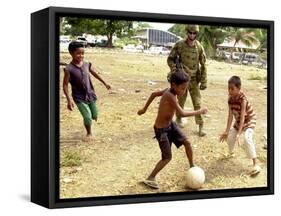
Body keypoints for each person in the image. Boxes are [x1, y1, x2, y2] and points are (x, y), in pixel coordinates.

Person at [137, 71, 208, 189]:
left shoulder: (170, 91)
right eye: (182, 88)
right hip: (162, 130)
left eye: (186, 88)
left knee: (187, 142)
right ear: (174, 85)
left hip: (170, 124)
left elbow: (154, 94)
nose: (184, 91)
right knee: (167, 158)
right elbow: (182, 113)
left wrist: (144, 109)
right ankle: (151, 177)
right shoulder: (169, 95)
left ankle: (191, 166)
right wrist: (199, 111)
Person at [63, 41, 111, 141]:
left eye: (83, 53)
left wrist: (105, 83)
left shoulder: (86, 64)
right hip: (79, 97)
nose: (81, 55)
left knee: (94, 115)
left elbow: (95, 74)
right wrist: (69, 99)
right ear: (71, 53)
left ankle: (88, 121)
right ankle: (89, 133)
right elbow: (65, 85)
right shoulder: (69, 69)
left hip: (90, 94)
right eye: (78, 53)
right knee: (88, 116)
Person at [167, 24, 207, 136]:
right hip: (182, 80)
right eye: (190, 32)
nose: (192, 35)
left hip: (194, 80)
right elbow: (170, 59)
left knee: (197, 103)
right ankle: (179, 119)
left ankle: (200, 126)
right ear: (187, 32)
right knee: (180, 101)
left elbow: (203, 65)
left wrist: (204, 81)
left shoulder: (199, 47)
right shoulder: (179, 45)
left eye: (194, 33)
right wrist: (175, 69)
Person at [219, 76, 261, 175]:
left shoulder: (243, 99)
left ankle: (256, 164)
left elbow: (242, 117)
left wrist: (239, 133)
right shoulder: (230, 99)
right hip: (239, 121)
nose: (230, 90)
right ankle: (231, 153)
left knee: (247, 138)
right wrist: (226, 130)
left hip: (249, 119)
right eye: (228, 88)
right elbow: (230, 116)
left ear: (239, 88)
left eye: (232, 88)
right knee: (229, 136)